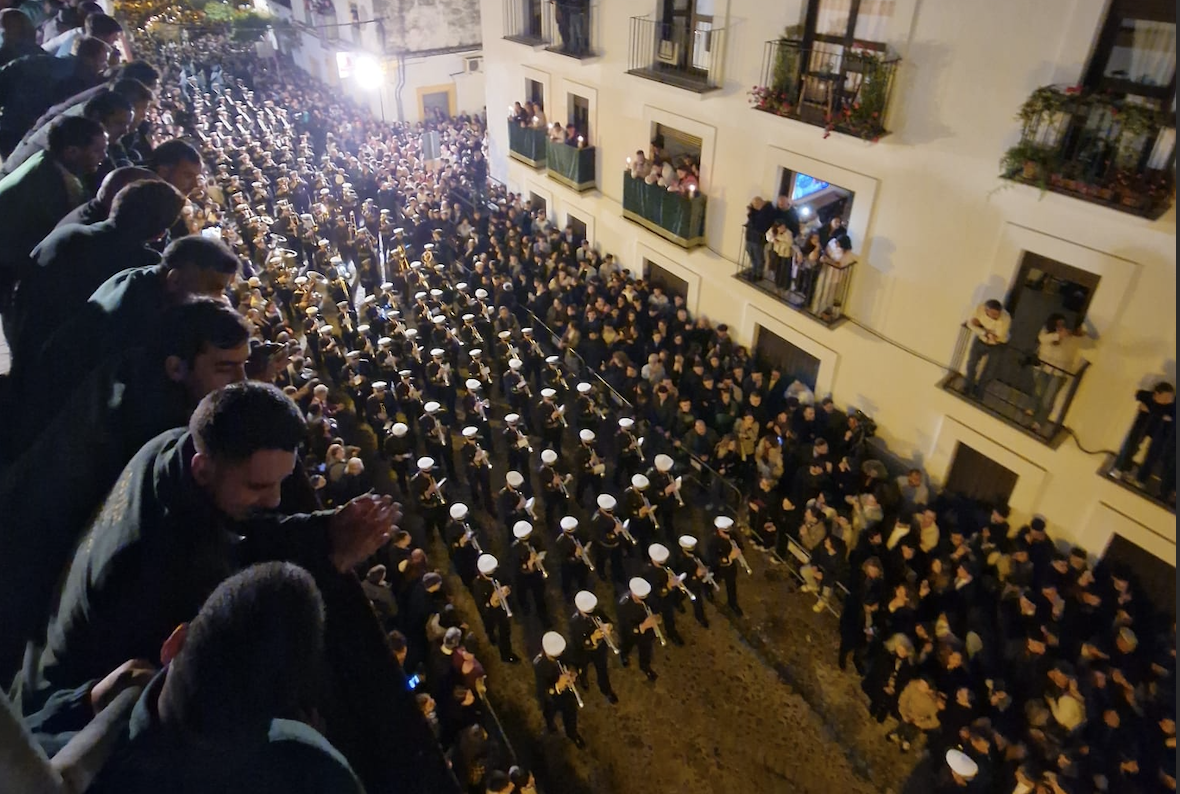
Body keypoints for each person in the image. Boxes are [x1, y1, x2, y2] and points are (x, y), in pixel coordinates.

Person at [24, 381, 397, 705]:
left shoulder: (172, 450)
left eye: (281, 481)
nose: (276, 500)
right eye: (259, 486)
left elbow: (239, 530)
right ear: (202, 469)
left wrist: (325, 530)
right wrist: (334, 561)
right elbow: (232, 647)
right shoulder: (167, 566)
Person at [87, 562, 365, 794]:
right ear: (285, 701)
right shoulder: (321, 774)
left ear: (174, 642)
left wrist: (87, 701)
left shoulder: (70, 760)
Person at [9, 178, 184, 357]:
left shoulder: (66, 234)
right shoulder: (141, 267)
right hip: (65, 370)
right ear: (160, 235)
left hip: (24, 348)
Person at [0, 114, 106, 314]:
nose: (104, 156)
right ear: (72, 152)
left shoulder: (51, 164)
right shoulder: (46, 183)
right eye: (97, 150)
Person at [1112, 380, 1175, 487]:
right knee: (1132, 445)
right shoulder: (1148, 397)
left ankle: (1141, 478)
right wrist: (1159, 414)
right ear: (1156, 394)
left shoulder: (1173, 405)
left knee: (1153, 454)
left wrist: (1151, 411)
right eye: (1165, 398)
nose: (1168, 401)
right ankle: (1121, 468)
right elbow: (1138, 394)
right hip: (1144, 426)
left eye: (1170, 398)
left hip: (1161, 431)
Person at [1031, 313, 1086, 429]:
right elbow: (1042, 339)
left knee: (1049, 398)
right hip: (1043, 365)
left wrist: (1078, 334)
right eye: (1058, 324)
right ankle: (1032, 410)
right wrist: (1057, 335)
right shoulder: (1047, 331)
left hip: (1059, 371)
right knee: (1039, 391)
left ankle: (1039, 422)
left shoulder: (1072, 337)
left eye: (1063, 324)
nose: (1060, 326)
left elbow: (1084, 345)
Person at [532, 631, 585, 749]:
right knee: (549, 713)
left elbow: (574, 661)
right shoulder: (539, 664)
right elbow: (542, 689)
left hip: (566, 695)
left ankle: (572, 734)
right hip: (551, 699)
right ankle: (550, 725)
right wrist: (557, 687)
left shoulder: (562, 651)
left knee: (571, 715)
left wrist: (573, 674)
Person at [568, 590, 619, 704]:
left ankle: (606, 690)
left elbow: (608, 621)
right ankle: (583, 680)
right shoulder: (575, 622)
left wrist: (608, 627)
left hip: (599, 650)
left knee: (602, 670)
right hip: (583, 652)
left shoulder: (597, 612)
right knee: (582, 668)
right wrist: (593, 638)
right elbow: (578, 642)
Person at [472, 553, 519, 664]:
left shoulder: (499, 572)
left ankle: (506, 655)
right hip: (489, 612)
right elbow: (481, 606)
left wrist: (507, 589)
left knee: (504, 633)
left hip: (502, 612)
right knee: (489, 625)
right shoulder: (478, 585)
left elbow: (509, 581)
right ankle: (491, 635)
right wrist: (491, 602)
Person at [962, 299, 1011, 399]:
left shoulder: (1005, 318)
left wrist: (980, 326)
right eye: (993, 314)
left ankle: (979, 391)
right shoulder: (980, 309)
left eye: (997, 314)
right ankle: (968, 386)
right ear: (986, 311)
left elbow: (999, 335)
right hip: (981, 339)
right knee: (971, 363)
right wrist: (985, 333)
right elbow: (970, 324)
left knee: (989, 370)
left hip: (998, 344)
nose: (996, 316)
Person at [617, 577, 659, 682]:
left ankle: (645, 666)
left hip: (646, 634)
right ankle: (624, 655)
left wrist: (657, 619)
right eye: (639, 598)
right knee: (626, 645)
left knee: (646, 650)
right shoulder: (624, 604)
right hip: (630, 632)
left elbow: (656, 610)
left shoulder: (649, 598)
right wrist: (642, 626)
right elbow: (625, 624)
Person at [707, 515, 745, 616]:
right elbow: (712, 558)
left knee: (731, 585)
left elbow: (740, 545)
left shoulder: (733, 535)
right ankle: (708, 591)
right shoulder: (713, 540)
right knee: (713, 580)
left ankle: (732, 603)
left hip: (730, 568)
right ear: (719, 530)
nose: (728, 535)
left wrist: (739, 550)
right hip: (717, 568)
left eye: (728, 532)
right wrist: (729, 557)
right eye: (725, 533)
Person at [745, 196, 774, 281]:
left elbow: (758, 225)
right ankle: (754, 271)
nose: (754, 207)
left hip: (758, 239)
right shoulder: (757, 211)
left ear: (760, 203)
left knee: (759, 257)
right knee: (751, 254)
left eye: (755, 205)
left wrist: (751, 213)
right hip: (750, 237)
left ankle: (758, 274)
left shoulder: (767, 211)